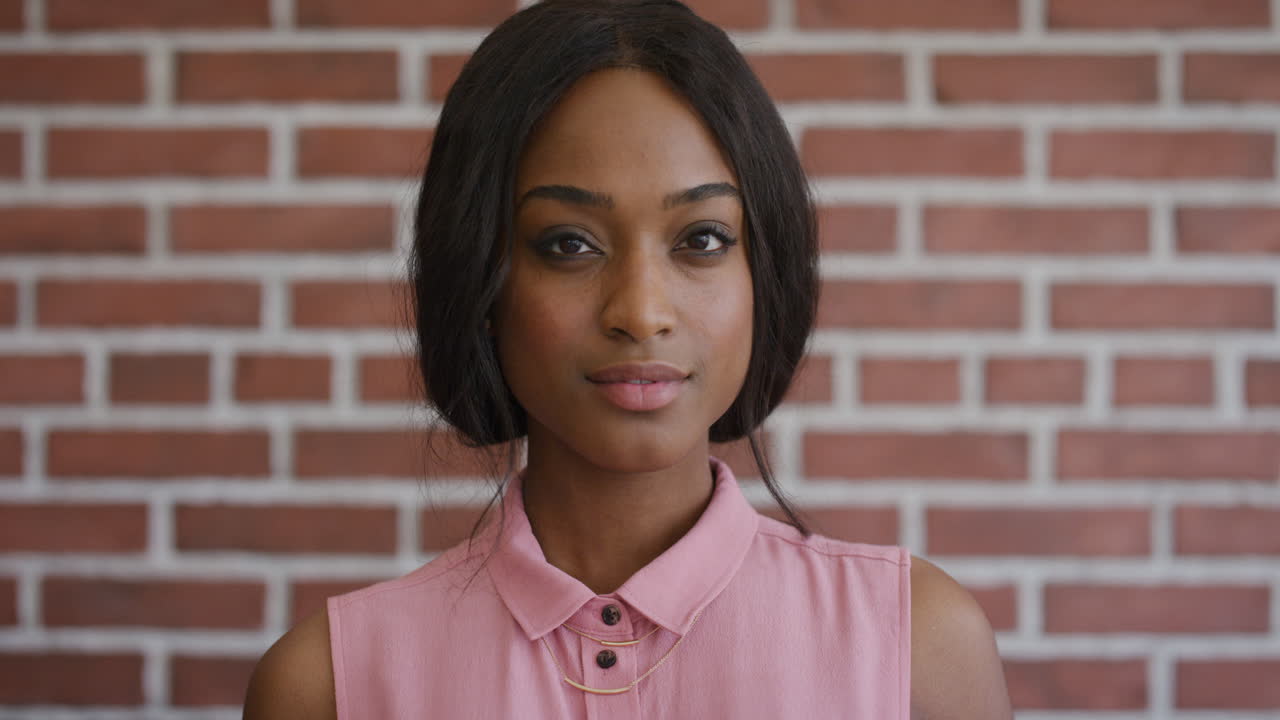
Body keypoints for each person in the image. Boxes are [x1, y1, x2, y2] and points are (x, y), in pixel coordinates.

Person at [243, 1, 1011, 717]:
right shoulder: (328, 685)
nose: (641, 312)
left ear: (765, 275)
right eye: (568, 244)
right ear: (480, 278)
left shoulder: (919, 649)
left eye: (702, 239)